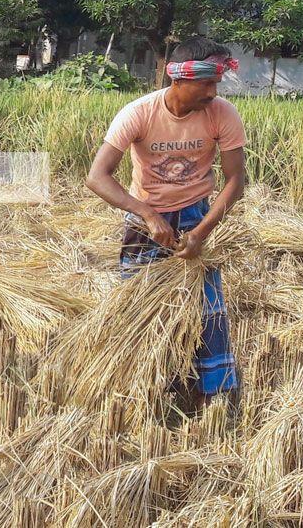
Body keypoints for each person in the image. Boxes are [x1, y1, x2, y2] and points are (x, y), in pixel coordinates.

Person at [85, 36, 247, 406]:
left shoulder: (223, 113)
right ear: (178, 80)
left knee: (209, 310)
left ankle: (216, 396)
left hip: (196, 214)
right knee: (141, 309)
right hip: (146, 221)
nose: (213, 91)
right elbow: (97, 176)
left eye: (217, 83)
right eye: (206, 83)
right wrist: (147, 214)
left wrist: (201, 233)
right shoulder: (138, 113)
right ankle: (148, 390)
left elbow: (235, 181)